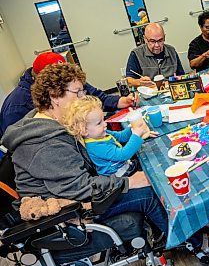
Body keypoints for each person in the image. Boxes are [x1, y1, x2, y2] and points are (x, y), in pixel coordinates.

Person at [1, 63, 169, 236]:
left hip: (75, 190)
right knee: (149, 193)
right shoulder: (44, 144)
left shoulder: (55, 121)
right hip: (68, 213)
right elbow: (79, 188)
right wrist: (129, 182)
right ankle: (182, 241)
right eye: (78, 92)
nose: (83, 97)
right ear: (54, 96)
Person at [0, 52, 137, 138]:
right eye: (78, 93)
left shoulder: (71, 82)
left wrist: (120, 100)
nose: (84, 98)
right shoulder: (16, 108)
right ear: (52, 90)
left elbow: (96, 96)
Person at [62, 96, 152, 177]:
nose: (105, 124)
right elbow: (123, 155)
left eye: (103, 120)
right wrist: (136, 135)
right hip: (119, 175)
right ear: (84, 131)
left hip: (125, 166)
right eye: (99, 123)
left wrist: (133, 126)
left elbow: (121, 136)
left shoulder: (101, 133)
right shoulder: (96, 146)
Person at [126, 23, 185, 88]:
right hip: (149, 91)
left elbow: (181, 75)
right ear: (145, 39)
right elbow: (128, 81)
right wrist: (139, 82)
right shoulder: (136, 54)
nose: (157, 45)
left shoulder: (172, 51)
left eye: (160, 40)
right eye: (152, 41)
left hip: (170, 89)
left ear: (164, 38)